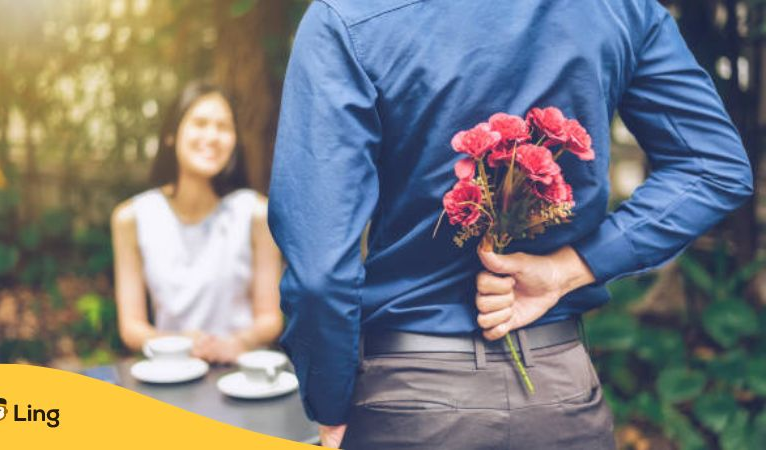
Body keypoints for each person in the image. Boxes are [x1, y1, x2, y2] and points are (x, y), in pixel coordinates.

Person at [268, 1, 754, 449]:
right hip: (560, 396)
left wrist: (329, 405)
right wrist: (571, 268)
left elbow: (319, 274)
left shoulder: (350, 16)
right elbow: (713, 167)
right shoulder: (618, 8)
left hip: (409, 403)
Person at [112, 81, 283, 364]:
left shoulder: (255, 214)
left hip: (242, 378)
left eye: (223, 127)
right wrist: (176, 344)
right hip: (170, 375)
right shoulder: (131, 218)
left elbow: (270, 319)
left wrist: (236, 344)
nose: (212, 136)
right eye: (200, 123)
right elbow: (131, 327)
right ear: (171, 135)